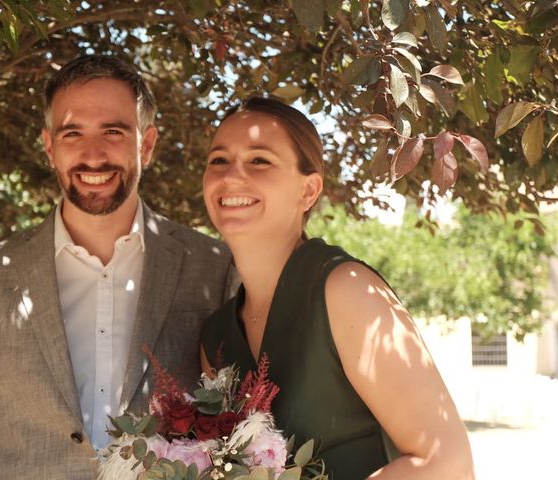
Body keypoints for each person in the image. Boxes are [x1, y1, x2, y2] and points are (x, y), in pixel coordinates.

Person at [0, 55, 235, 479]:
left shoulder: (213, 267)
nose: (93, 156)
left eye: (113, 131)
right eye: (73, 133)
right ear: (50, 146)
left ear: (146, 144)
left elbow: (239, 428)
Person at [200, 97, 475, 479]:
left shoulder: (346, 290)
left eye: (260, 160)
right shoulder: (214, 335)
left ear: (308, 191)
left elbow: (447, 464)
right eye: (218, 160)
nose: (231, 176)